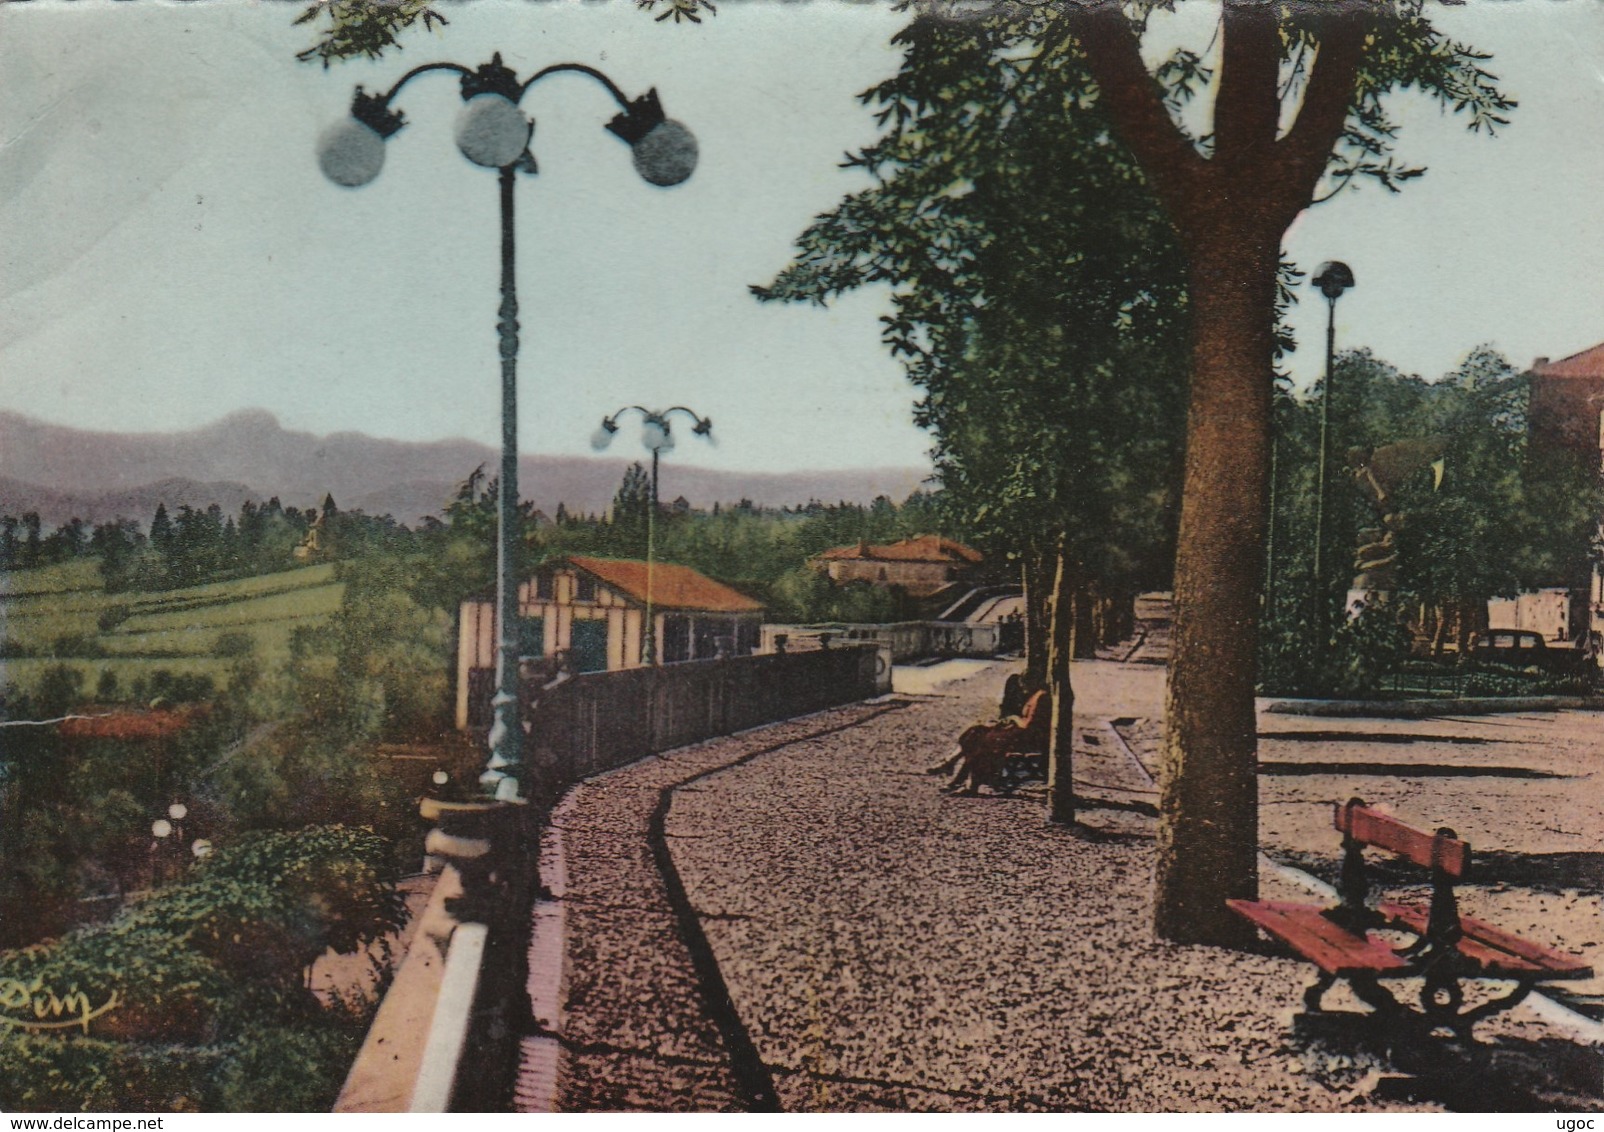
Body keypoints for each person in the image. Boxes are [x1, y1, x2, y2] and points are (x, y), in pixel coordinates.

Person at [926, 683, 1051, 795]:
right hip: (1019, 734)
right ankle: (954, 768)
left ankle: (957, 775)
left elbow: (1028, 725)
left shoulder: (1041, 697)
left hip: (1024, 737)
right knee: (975, 731)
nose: (1023, 689)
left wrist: (1014, 718)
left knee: (979, 743)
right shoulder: (1037, 695)